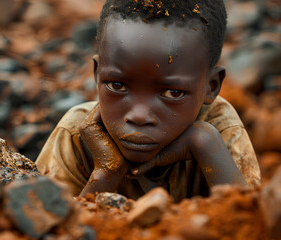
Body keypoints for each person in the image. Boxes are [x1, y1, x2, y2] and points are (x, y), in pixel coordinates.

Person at [35, 0, 261, 202]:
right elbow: (53, 228)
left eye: (173, 93)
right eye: (117, 85)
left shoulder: (219, 128)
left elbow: (253, 225)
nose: (139, 116)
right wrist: (107, 173)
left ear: (210, 87)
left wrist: (206, 144)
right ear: (97, 74)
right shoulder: (75, 134)